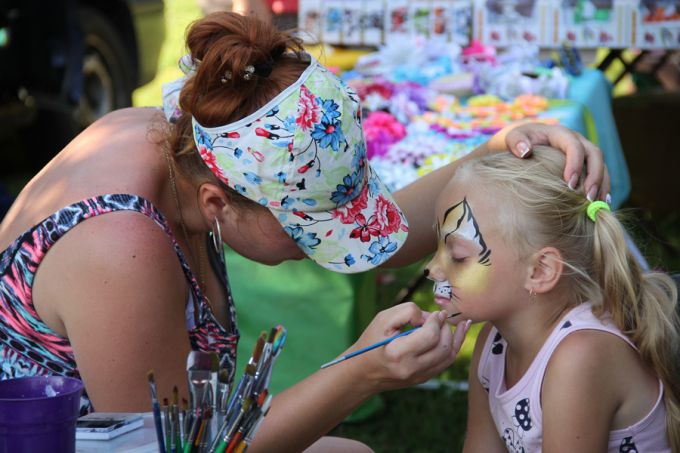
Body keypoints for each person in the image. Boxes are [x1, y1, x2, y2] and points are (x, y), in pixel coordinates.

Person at [0, 12, 610, 452]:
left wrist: (499, 151)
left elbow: (384, 236)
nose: (320, 243)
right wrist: (360, 371)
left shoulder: (187, 139)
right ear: (218, 201)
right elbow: (179, 449)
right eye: (305, 228)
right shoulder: (121, 248)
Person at [425, 146, 679, 451]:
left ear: (540, 270)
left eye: (457, 255)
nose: (432, 268)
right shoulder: (492, 342)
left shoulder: (581, 358)